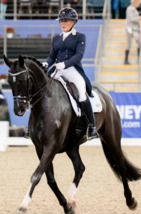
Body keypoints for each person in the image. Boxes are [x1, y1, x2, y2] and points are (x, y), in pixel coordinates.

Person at [41, 7, 98, 140]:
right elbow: (51, 57)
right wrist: (46, 64)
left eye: (66, 20)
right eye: (61, 20)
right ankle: (35, 125)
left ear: (73, 22)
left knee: (81, 90)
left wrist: (64, 64)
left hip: (72, 69)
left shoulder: (79, 37)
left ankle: (92, 126)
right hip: (58, 69)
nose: (63, 23)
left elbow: (79, 56)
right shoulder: (56, 38)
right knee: (42, 89)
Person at [125, 0, 141, 65]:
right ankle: (126, 60)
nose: (139, 5)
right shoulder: (129, 9)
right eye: (138, 3)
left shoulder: (134, 9)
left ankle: (139, 60)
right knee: (129, 44)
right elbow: (131, 19)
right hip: (130, 28)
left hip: (135, 29)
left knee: (139, 43)